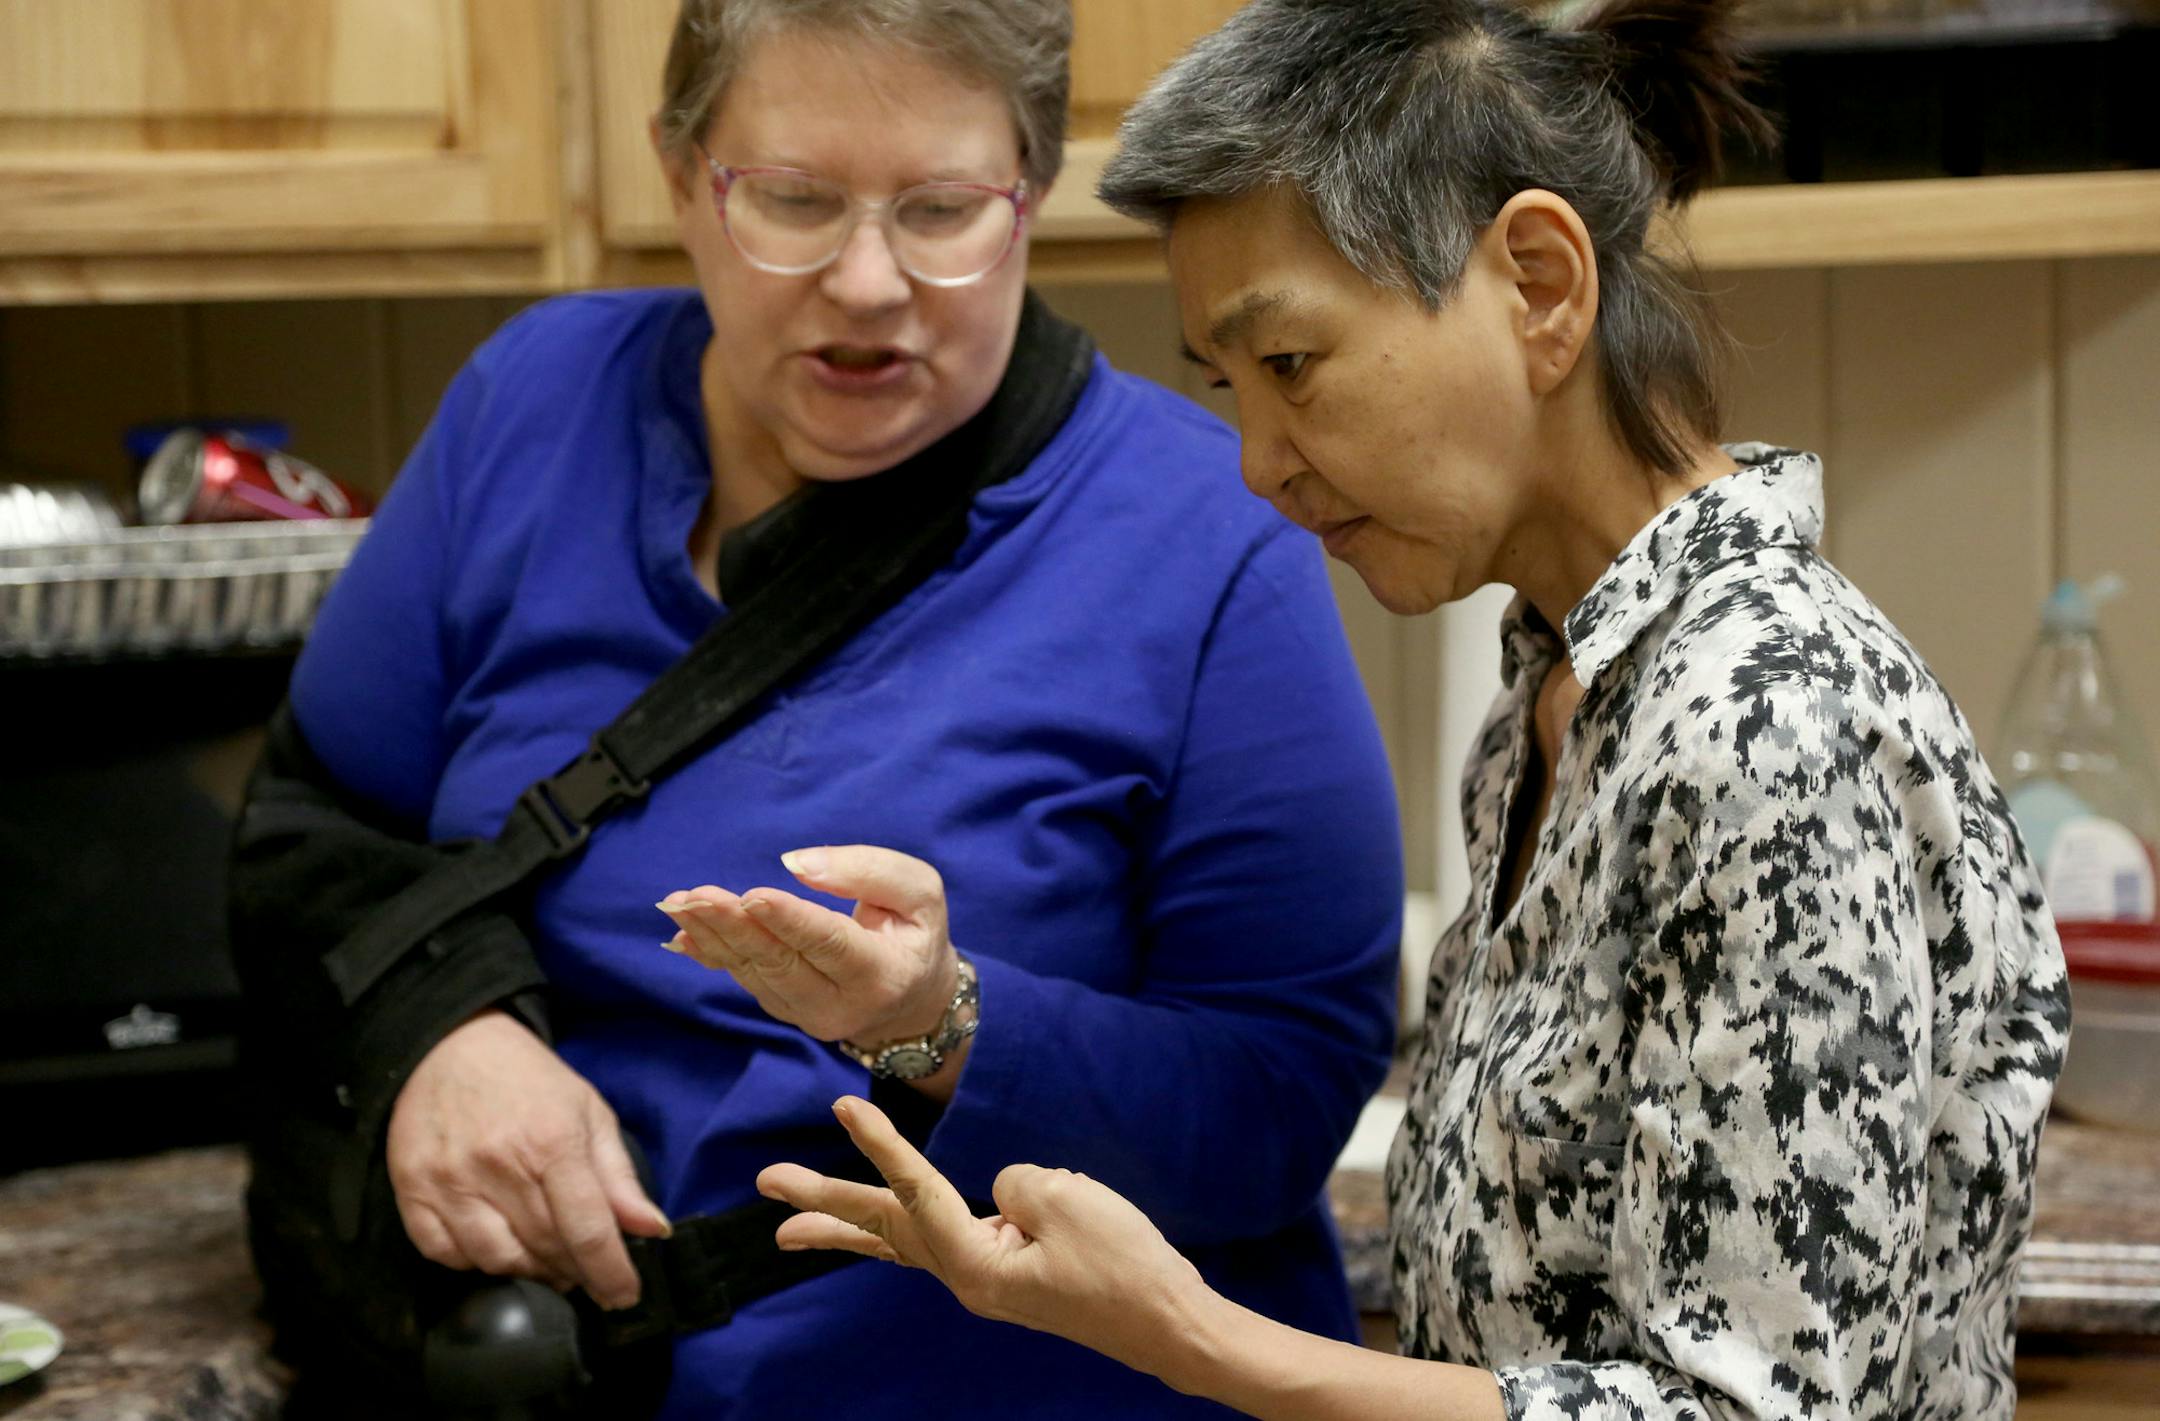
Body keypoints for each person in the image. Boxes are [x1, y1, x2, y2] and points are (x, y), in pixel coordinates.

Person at [756, 2, 2072, 1418]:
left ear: (1540, 286)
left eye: (1294, 365)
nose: (1257, 462)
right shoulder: (1558, 697)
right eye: (1226, 386)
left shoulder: (1765, 726)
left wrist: (1194, 1336)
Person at [227, 1, 1404, 1417]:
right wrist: (445, 1029)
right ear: (679, 175)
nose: (865, 282)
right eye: (791, 199)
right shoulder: (529, 404)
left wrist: (945, 1022)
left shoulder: (1217, 539)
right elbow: (306, 833)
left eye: (941, 209)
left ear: (1031, 191)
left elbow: (1280, 1107)